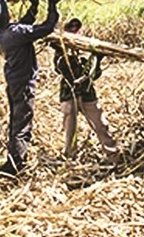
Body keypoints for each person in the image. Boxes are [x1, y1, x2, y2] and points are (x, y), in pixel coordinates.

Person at [0, 0, 61, 177]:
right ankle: (15, 165)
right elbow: (46, 28)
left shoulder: (6, 31)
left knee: (16, 122)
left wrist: (33, 7)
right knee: (22, 124)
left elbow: (25, 23)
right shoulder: (16, 34)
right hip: (24, 84)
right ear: (6, 16)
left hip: (14, 82)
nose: (11, 12)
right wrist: (52, 5)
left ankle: (12, 160)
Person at [51, 18, 119, 164]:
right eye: (71, 28)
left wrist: (98, 59)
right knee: (70, 131)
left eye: (77, 28)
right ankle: (70, 158)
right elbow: (60, 69)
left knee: (101, 125)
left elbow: (95, 74)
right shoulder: (61, 49)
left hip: (88, 94)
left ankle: (113, 155)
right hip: (69, 95)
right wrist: (60, 49)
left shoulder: (89, 51)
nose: (75, 31)